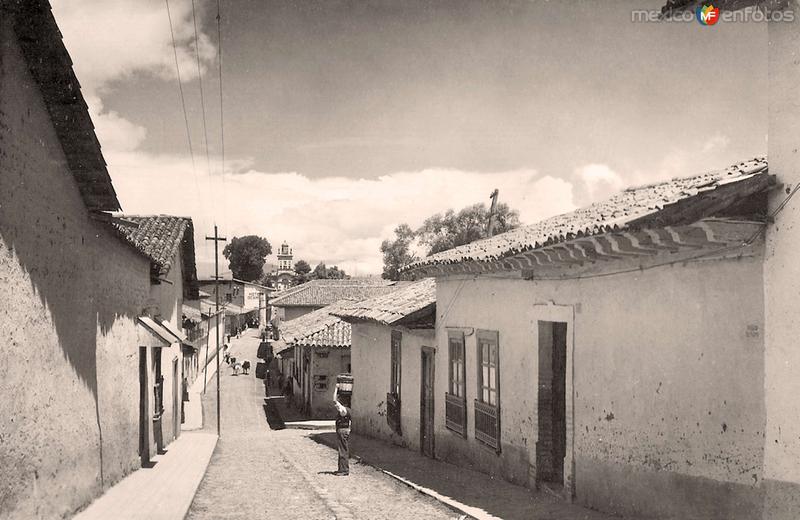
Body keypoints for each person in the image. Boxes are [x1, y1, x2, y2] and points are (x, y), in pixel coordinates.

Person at [333, 386, 351, 476]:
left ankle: (344, 470)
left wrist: (336, 389)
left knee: (342, 450)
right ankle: (342, 469)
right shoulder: (348, 409)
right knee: (343, 449)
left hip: (342, 431)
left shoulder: (343, 410)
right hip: (345, 430)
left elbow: (334, 401)